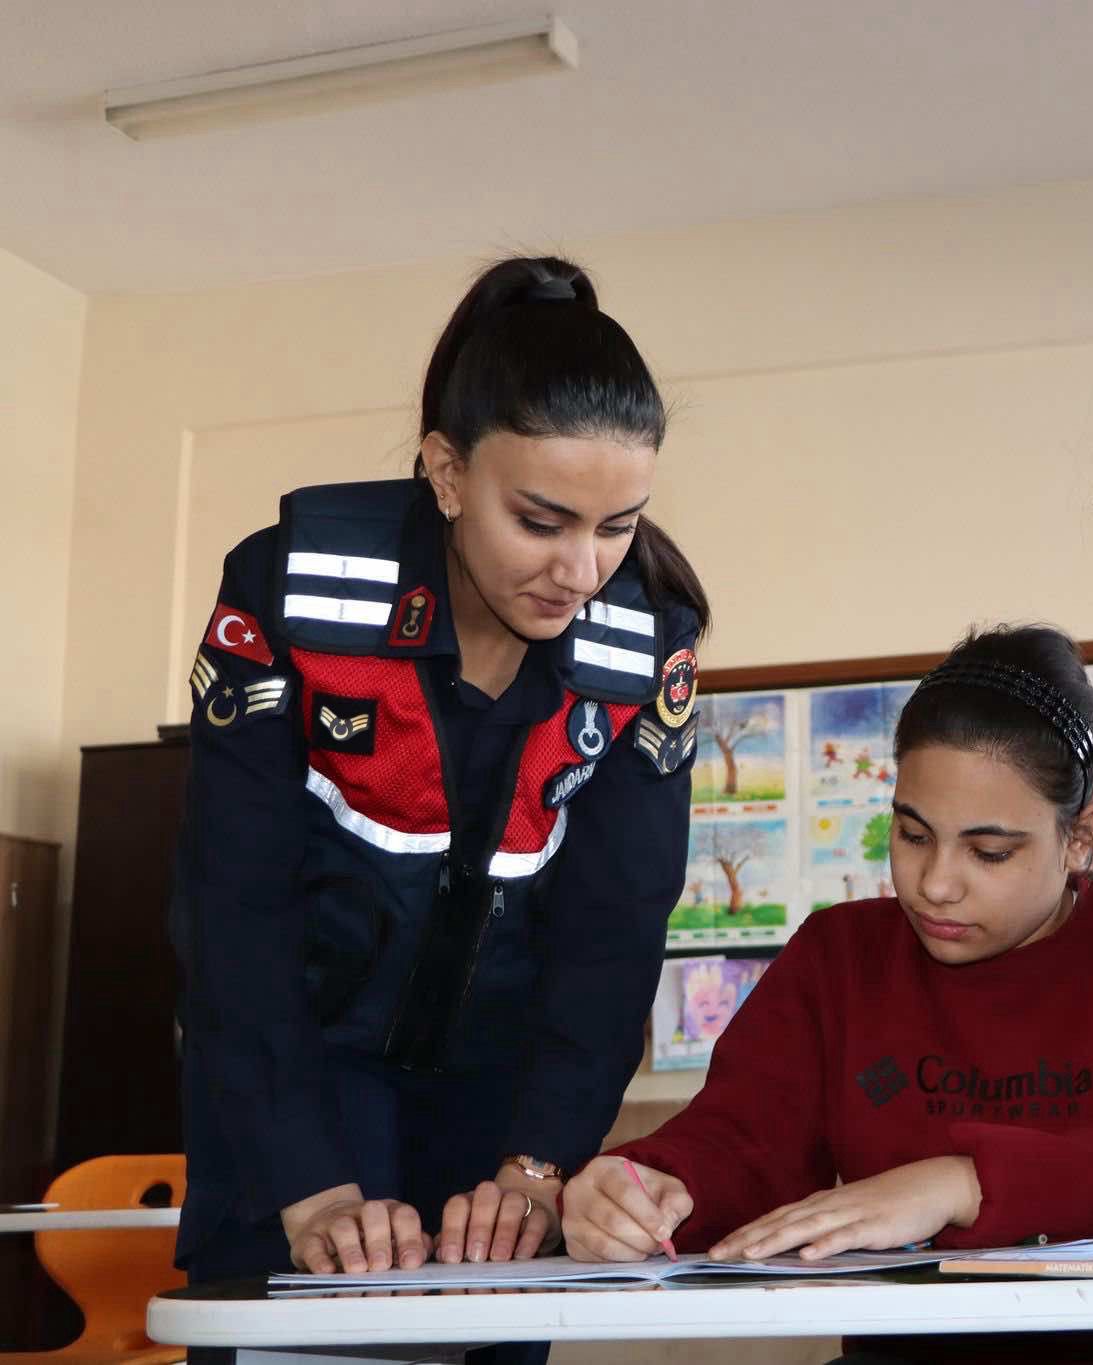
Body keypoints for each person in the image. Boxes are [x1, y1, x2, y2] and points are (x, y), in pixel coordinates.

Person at [560, 625, 1093, 1365]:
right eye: (913, 833)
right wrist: (655, 1186)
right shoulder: (841, 955)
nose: (934, 883)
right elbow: (744, 1139)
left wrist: (964, 1182)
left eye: (989, 851)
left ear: (1081, 837)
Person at [170, 255, 710, 1292]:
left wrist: (539, 1162)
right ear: (448, 473)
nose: (580, 570)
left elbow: (615, 931)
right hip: (295, 1074)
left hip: (507, 1103)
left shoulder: (645, 648)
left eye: (618, 525)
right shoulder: (296, 592)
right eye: (541, 522)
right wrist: (310, 1181)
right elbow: (232, 908)